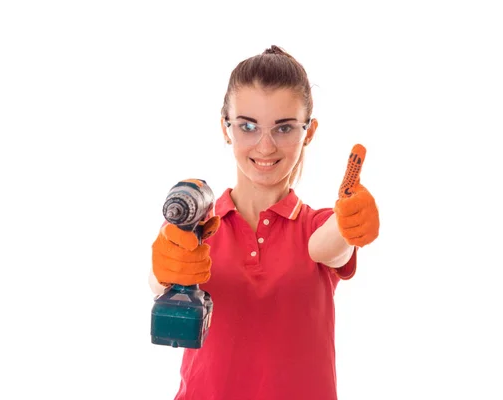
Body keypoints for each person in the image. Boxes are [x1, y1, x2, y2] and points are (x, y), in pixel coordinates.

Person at [150, 45, 380, 400]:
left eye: (284, 128)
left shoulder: (314, 226)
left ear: (310, 131)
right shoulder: (195, 225)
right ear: (226, 128)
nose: (266, 146)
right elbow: (157, 280)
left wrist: (349, 223)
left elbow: (327, 246)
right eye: (248, 126)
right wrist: (164, 270)